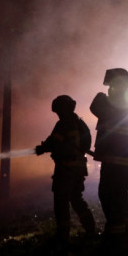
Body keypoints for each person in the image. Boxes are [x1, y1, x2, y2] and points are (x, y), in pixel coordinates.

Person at [35, 95, 96, 242]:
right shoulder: (80, 123)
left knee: (61, 202)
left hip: (65, 169)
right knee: (76, 199)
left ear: (63, 109)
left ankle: (63, 236)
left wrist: (42, 148)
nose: (58, 114)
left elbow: (53, 142)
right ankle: (91, 230)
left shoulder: (63, 124)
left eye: (58, 111)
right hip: (79, 169)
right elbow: (85, 145)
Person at [90, 68, 128, 240]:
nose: (108, 88)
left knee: (107, 193)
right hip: (123, 158)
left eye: (111, 85)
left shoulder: (117, 104)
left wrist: (102, 97)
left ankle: (115, 231)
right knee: (120, 193)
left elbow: (96, 107)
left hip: (114, 157)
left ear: (117, 84)